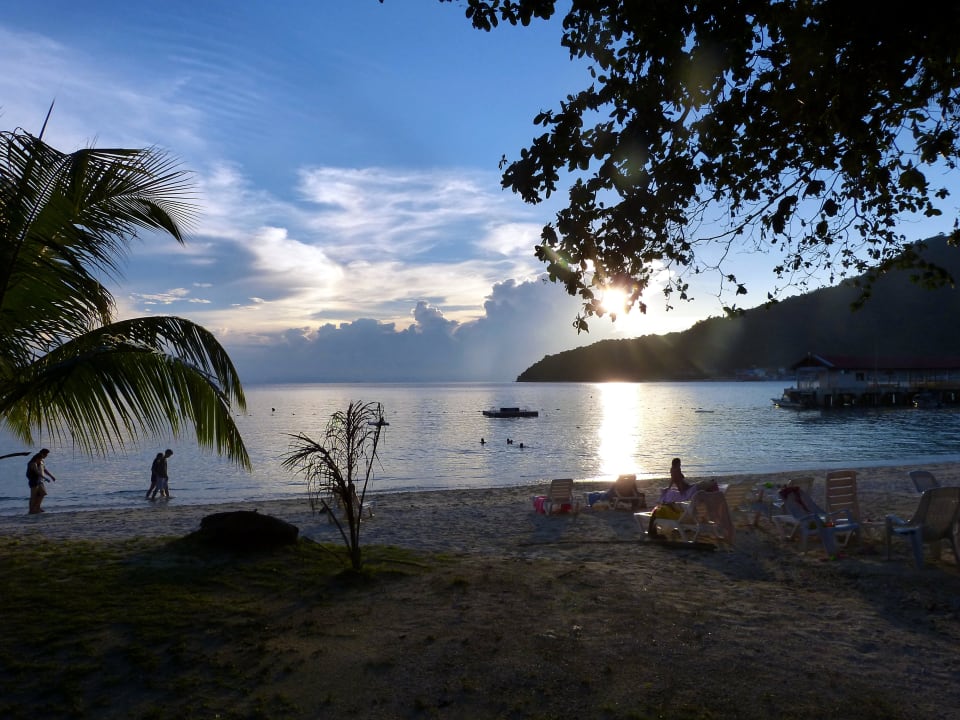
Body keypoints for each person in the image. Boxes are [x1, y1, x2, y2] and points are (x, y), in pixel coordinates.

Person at [26, 449, 56, 514]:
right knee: (33, 496)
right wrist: (46, 478)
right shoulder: (33, 462)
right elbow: (37, 472)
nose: (46, 456)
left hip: (41, 481)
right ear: (42, 454)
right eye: (46, 454)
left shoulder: (41, 461)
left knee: (43, 493)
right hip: (34, 480)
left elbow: (44, 470)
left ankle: (37, 507)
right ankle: (31, 510)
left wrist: (51, 476)